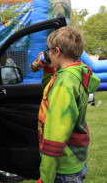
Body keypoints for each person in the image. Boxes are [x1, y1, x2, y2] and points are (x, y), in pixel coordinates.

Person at [33, 27, 101, 183]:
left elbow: (55, 135)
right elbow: (50, 93)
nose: (47, 54)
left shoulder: (64, 84)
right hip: (75, 159)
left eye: (48, 50)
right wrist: (49, 70)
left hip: (63, 167)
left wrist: (46, 176)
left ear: (57, 51)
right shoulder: (75, 72)